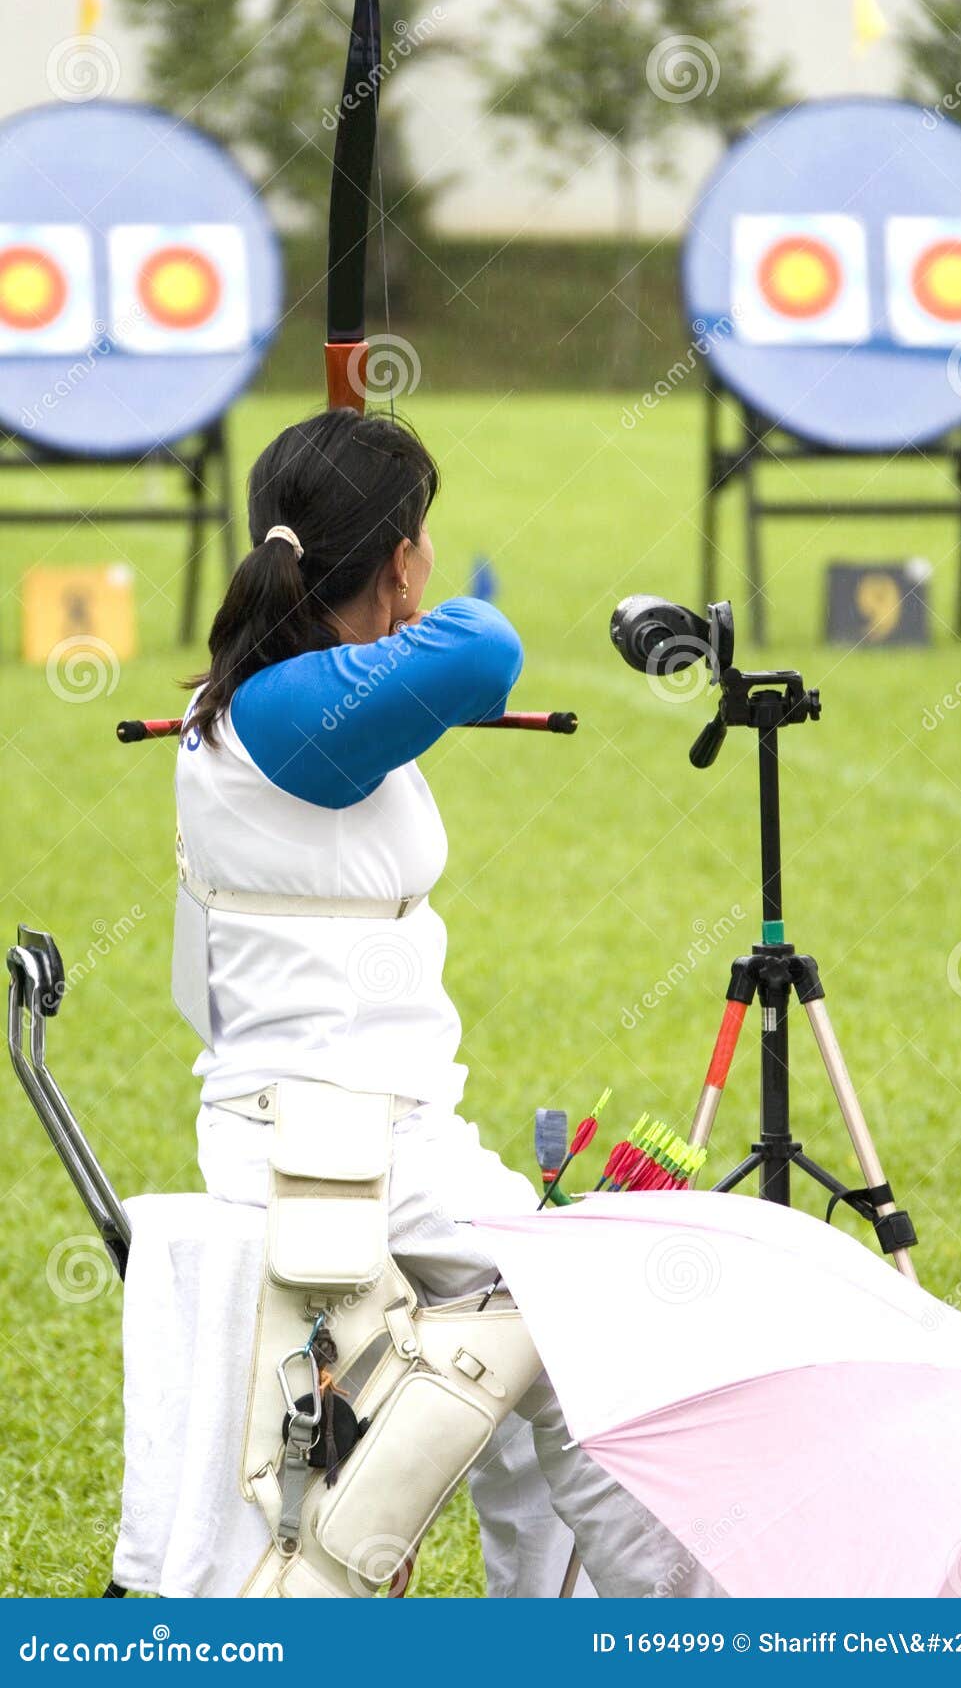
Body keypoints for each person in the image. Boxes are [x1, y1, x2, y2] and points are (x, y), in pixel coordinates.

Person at [170, 406, 719, 1598]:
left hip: (372, 1127)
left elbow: (401, 681)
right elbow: (480, 646)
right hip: (332, 1143)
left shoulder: (282, 693)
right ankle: (680, 1634)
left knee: (526, 1376)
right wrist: (402, 643)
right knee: (592, 1331)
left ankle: (539, 1623)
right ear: (402, 552)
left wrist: (376, 649)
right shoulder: (288, 711)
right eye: (419, 535)